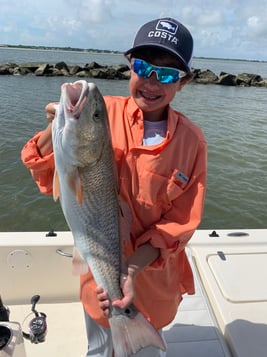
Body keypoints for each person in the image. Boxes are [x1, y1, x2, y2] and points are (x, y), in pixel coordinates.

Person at [21, 17, 207, 356]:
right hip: (99, 281)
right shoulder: (103, 110)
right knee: (99, 346)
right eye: (142, 66)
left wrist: (130, 272)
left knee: (145, 349)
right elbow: (45, 175)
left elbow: (179, 224)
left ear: (184, 83)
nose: (152, 81)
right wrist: (55, 125)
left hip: (153, 284)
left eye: (166, 74)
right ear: (129, 66)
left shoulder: (192, 142)